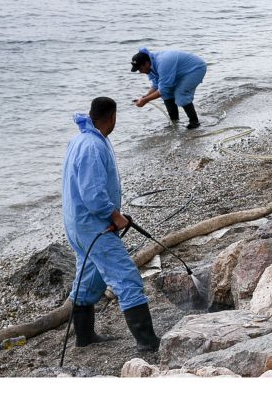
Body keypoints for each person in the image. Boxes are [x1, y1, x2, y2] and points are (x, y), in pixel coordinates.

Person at [62, 96, 160, 352]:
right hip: (94, 224)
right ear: (113, 117)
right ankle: (148, 343)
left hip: (77, 225)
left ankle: (84, 338)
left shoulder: (81, 139)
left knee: (88, 280)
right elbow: (93, 194)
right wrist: (115, 216)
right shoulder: (93, 146)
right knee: (127, 279)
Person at [131, 47, 207, 129]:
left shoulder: (163, 63)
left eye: (140, 69)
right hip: (179, 72)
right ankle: (174, 122)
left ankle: (194, 122)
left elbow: (163, 89)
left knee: (181, 93)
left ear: (146, 64)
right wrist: (146, 95)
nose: (140, 72)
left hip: (195, 69)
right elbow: (156, 85)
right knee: (167, 94)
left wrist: (146, 100)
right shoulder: (149, 66)